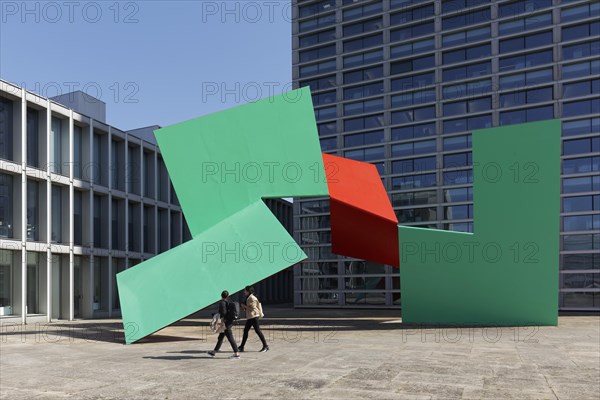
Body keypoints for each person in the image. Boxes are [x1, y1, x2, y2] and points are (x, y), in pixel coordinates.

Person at [208, 291, 241, 359]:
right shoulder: (229, 301)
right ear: (227, 296)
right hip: (229, 322)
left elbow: (223, 313)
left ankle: (237, 354)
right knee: (220, 337)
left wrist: (220, 320)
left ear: (221, 296)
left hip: (225, 323)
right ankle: (214, 351)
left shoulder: (222, 303)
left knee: (230, 338)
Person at [238, 286, 269, 353]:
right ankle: (241, 347)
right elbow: (248, 307)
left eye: (245, 291)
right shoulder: (248, 297)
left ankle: (265, 346)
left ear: (248, 291)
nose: (244, 292)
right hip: (250, 317)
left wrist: (244, 306)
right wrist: (244, 307)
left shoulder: (252, 298)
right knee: (246, 330)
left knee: (257, 331)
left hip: (254, 317)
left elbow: (253, 308)